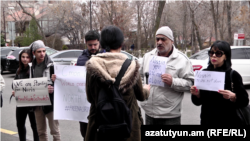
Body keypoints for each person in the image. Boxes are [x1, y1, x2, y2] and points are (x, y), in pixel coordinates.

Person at [85, 25, 150, 141]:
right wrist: (147, 89)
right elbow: (141, 95)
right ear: (121, 44)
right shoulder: (132, 66)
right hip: (128, 129)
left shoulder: (93, 65)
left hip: (100, 128)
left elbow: (90, 98)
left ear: (102, 44)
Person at [51, 30, 102, 140]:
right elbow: (74, 78)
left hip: (100, 104)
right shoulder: (81, 58)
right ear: (86, 43)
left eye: (95, 44)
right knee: (85, 133)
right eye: (90, 45)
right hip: (83, 105)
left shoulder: (104, 57)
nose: (93, 47)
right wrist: (58, 78)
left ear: (99, 43)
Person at [140, 26, 194, 125]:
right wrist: (143, 87)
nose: (159, 42)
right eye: (157, 39)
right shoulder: (147, 57)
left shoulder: (182, 60)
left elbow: (191, 84)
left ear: (171, 41)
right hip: (149, 112)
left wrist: (173, 82)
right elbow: (140, 77)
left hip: (170, 115)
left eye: (163, 39)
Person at [190, 41, 249, 125]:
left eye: (218, 53)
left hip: (228, 121)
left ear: (226, 56)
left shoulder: (233, 75)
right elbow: (198, 102)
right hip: (207, 120)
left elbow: (244, 100)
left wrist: (233, 96)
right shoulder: (204, 74)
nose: (214, 55)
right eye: (211, 53)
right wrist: (197, 94)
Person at [30, 40, 61, 141]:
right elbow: (30, 86)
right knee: (41, 132)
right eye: (39, 51)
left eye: (44, 51)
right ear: (33, 53)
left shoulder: (52, 66)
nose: (42, 53)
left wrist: (55, 82)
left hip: (51, 103)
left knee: (55, 131)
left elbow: (62, 86)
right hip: (37, 104)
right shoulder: (31, 68)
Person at [11, 49, 39, 141]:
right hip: (21, 102)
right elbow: (14, 84)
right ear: (20, 58)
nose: (25, 59)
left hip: (32, 103)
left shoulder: (34, 70)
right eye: (23, 57)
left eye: (27, 57)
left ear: (31, 58)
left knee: (35, 127)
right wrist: (15, 90)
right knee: (20, 124)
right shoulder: (19, 70)